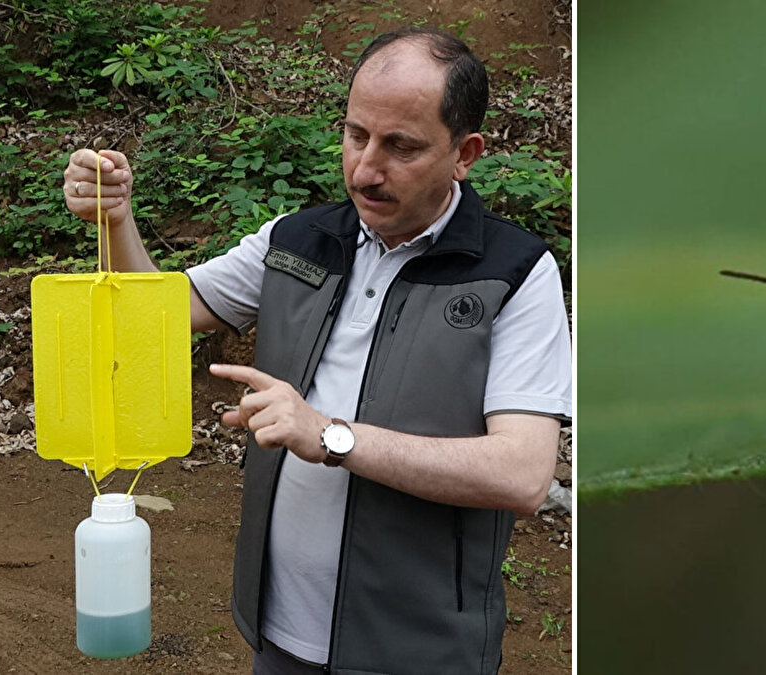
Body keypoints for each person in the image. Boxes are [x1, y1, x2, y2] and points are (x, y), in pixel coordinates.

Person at [62, 27, 571, 675]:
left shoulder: (515, 273)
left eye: (401, 146)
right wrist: (116, 219)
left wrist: (330, 435)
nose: (365, 168)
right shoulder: (297, 240)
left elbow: (523, 475)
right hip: (279, 638)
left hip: (420, 651)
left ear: (464, 152)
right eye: (356, 134)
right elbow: (157, 310)